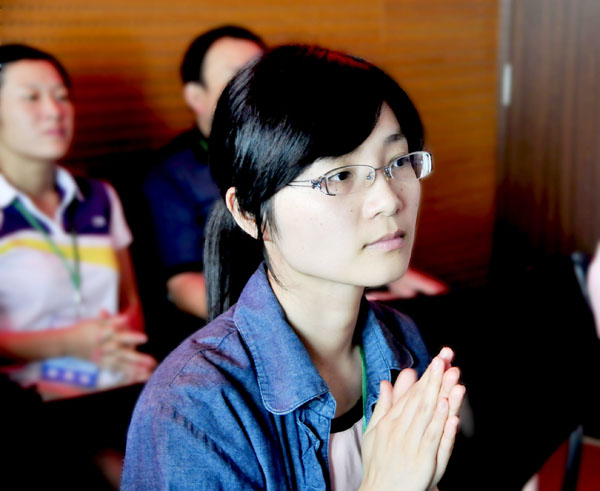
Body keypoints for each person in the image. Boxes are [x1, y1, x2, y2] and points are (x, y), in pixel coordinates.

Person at [123, 45, 465, 490]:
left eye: (398, 162)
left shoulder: (403, 340)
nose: (388, 199)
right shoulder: (191, 408)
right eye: (340, 175)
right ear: (249, 213)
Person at [0, 44, 156, 487]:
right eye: (32, 97)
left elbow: (131, 306)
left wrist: (109, 345)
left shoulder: (100, 197)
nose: (54, 110)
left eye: (62, 96)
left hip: (115, 374)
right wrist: (71, 344)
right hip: (26, 397)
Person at [143, 25, 266, 321]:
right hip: (238, 321)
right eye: (235, 77)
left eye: (260, 75)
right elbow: (183, 284)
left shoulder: (295, 152)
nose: (254, 88)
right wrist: (269, 324)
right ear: (196, 97)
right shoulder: (170, 174)